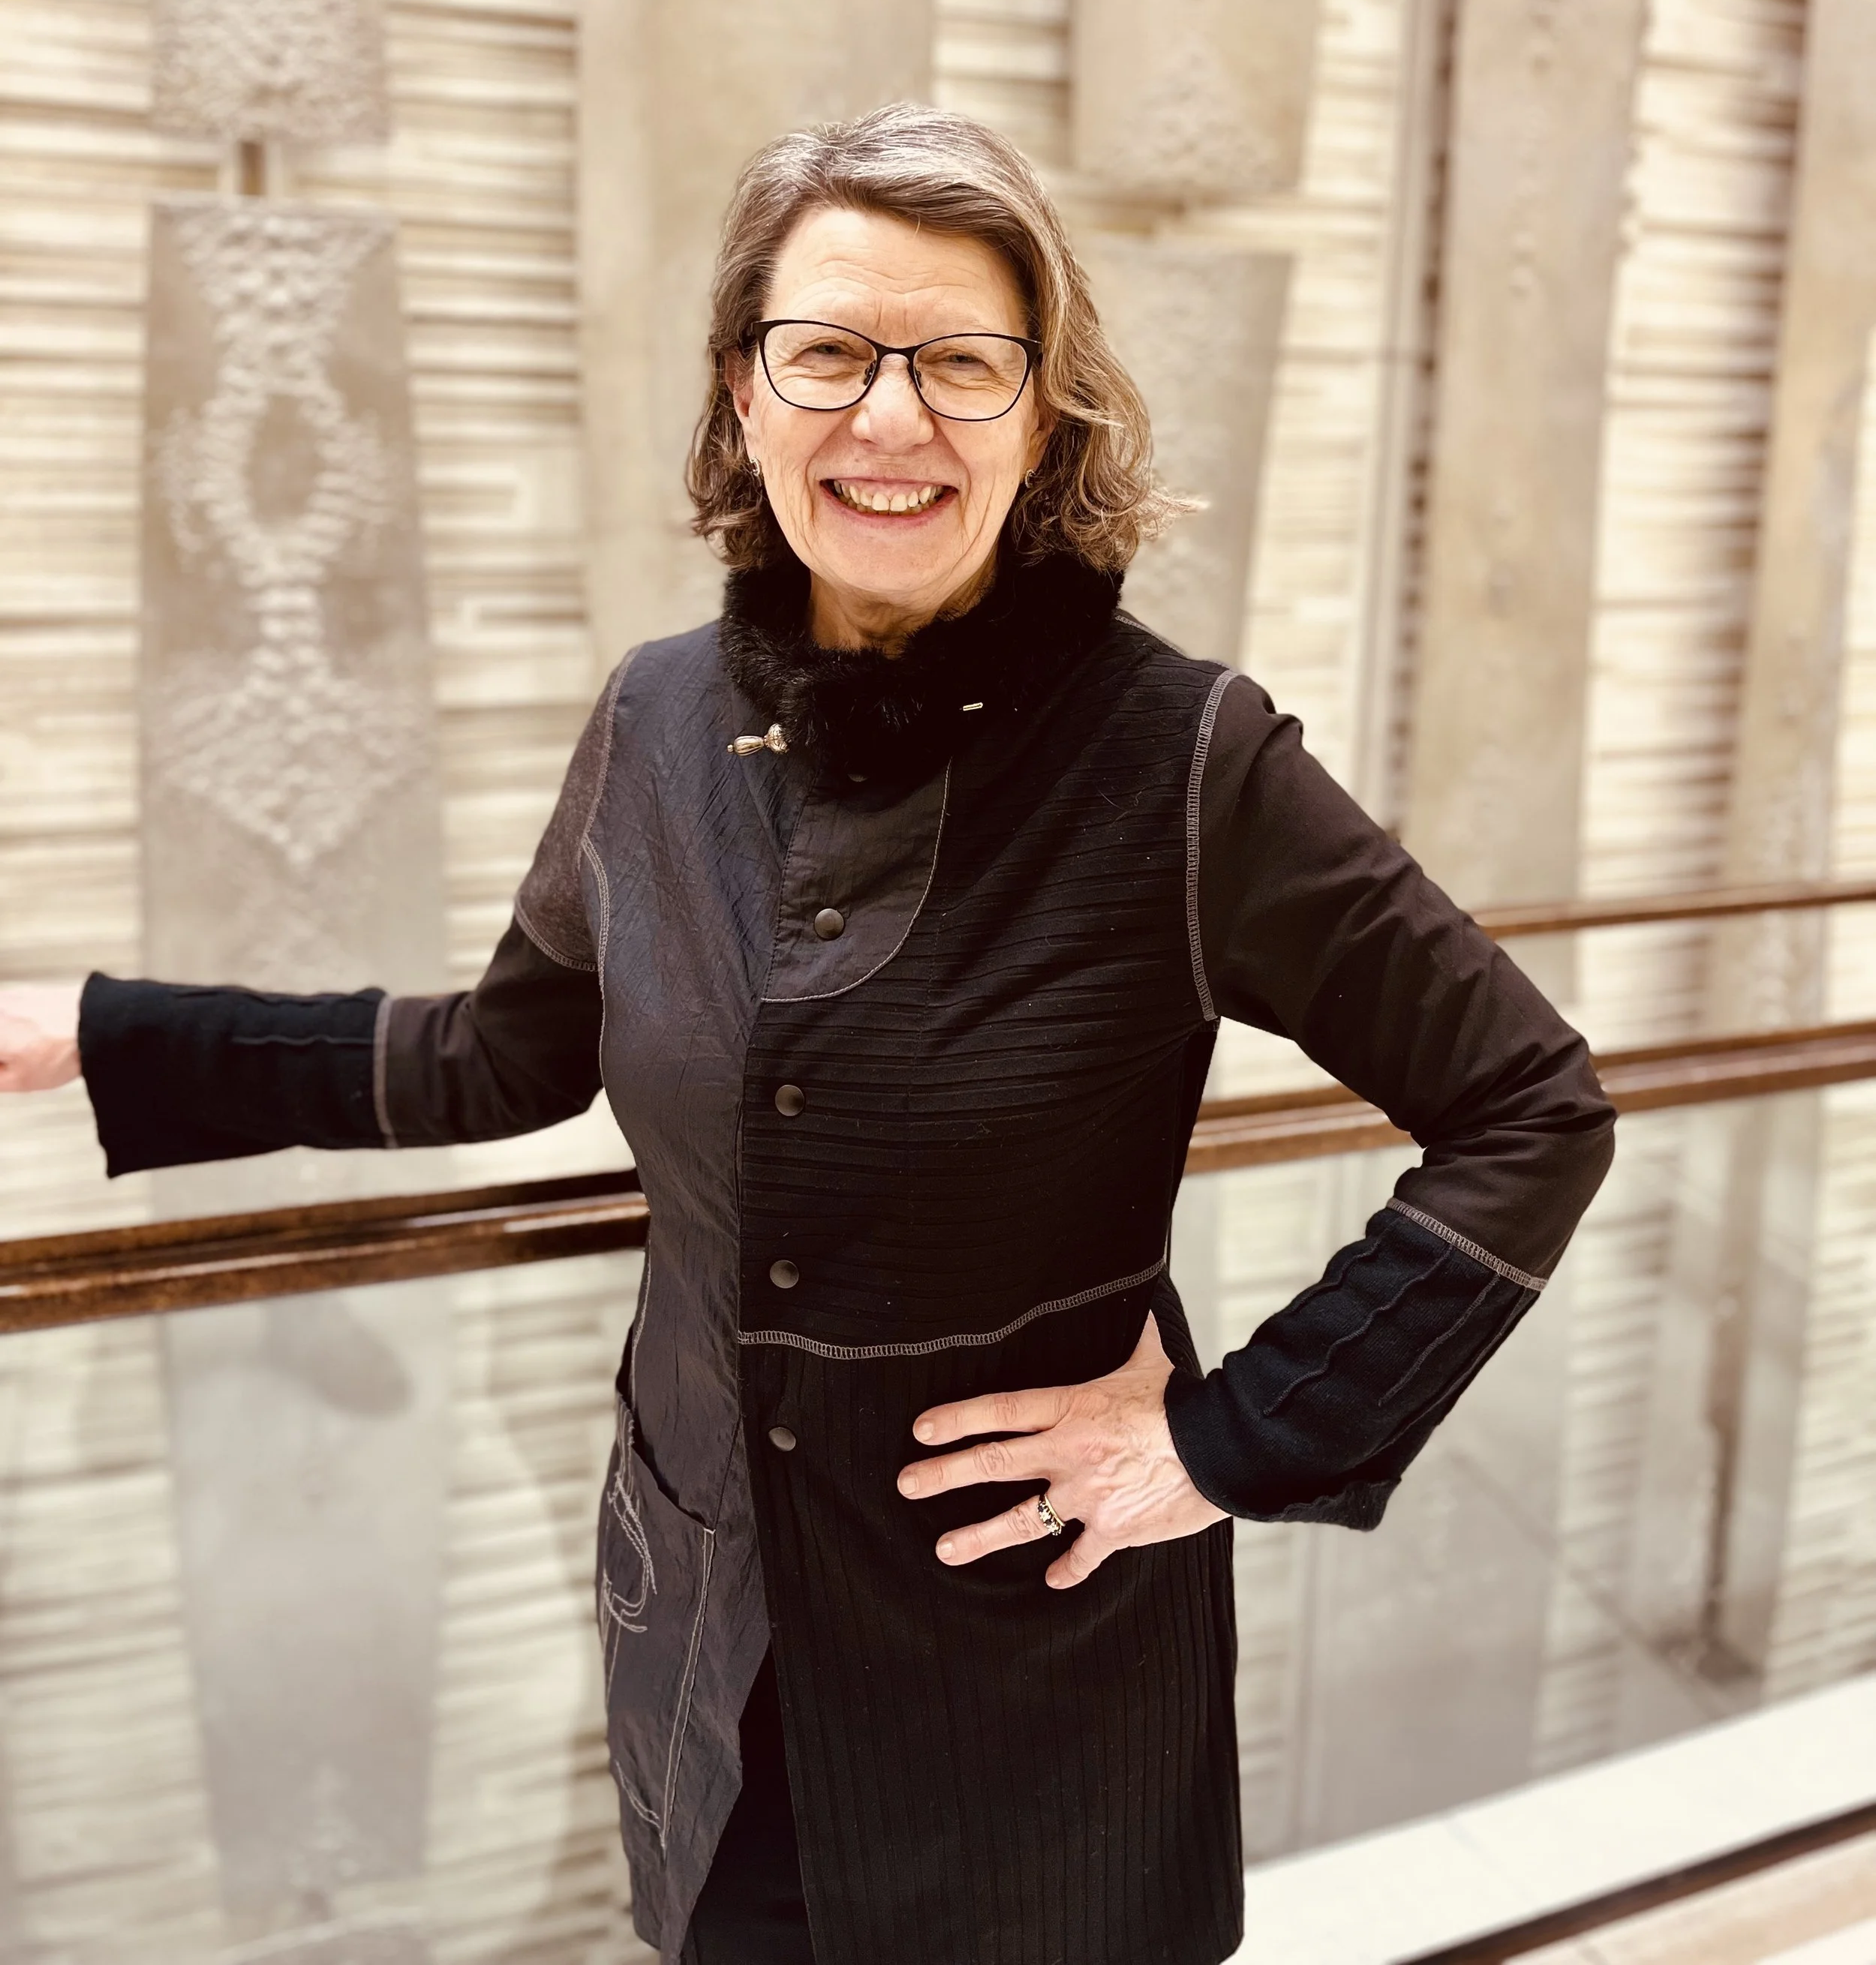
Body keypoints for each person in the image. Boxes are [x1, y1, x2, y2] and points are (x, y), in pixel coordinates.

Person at [0, 105, 1614, 1965]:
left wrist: (1228, 1437)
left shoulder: (1183, 762)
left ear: (1044, 412)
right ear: (743, 399)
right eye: (828, 351)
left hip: (1027, 1662)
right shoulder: (659, 718)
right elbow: (496, 1054)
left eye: (959, 361)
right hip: (704, 1625)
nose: (890, 417)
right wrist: (109, 1032)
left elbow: (1526, 1106)